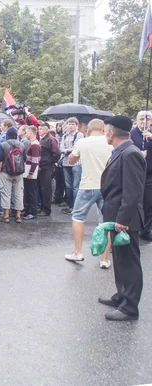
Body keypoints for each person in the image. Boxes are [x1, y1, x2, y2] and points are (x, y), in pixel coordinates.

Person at [98, 115, 145, 321]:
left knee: (129, 262)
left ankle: (130, 308)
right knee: (119, 259)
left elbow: (132, 191)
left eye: (106, 130)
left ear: (112, 132)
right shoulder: (121, 151)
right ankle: (122, 296)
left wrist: (123, 220)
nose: (105, 133)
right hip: (116, 216)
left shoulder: (130, 153)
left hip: (125, 219)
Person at [64, 119, 113, 267]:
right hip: (107, 186)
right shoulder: (109, 143)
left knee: (78, 217)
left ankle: (78, 252)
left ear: (88, 129)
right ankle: (104, 259)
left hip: (87, 185)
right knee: (106, 221)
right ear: (103, 129)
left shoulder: (83, 142)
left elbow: (71, 160)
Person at [130, 111, 152, 241]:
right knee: (137, 201)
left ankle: (146, 229)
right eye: (142, 119)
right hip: (135, 173)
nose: (144, 121)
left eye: (147, 119)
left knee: (149, 203)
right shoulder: (131, 134)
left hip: (150, 174)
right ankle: (134, 228)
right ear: (137, 120)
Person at [0, 127, 24, 223]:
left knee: (5, 194)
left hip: (6, 172)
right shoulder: (21, 145)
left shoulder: (3, 145)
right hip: (19, 173)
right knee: (18, 194)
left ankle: (6, 216)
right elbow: (24, 159)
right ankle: (18, 216)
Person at [60, 117, 84, 214]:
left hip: (76, 163)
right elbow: (61, 148)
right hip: (66, 162)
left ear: (76, 125)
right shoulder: (65, 136)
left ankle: (76, 207)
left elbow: (77, 147)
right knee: (68, 186)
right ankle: (70, 205)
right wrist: (68, 150)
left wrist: (67, 150)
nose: (70, 126)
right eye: (69, 124)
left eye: (72, 124)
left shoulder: (79, 135)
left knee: (76, 186)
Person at [37, 122, 58, 216]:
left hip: (47, 166)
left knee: (46, 188)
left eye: (41, 129)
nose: (39, 130)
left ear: (46, 129)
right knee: (41, 187)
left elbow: (56, 153)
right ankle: (42, 207)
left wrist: (51, 162)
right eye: (39, 129)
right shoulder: (42, 139)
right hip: (41, 166)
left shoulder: (50, 139)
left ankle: (47, 209)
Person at [23, 126, 40, 220]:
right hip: (28, 169)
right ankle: (28, 210)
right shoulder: (32, 144)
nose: (26, 134)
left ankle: (32, 212)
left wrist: (31, 172)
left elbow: (35, 160)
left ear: (31, 133)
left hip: (31, 170)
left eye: (27, 132)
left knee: (32, 192)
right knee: (28, 191)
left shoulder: (35, 145)